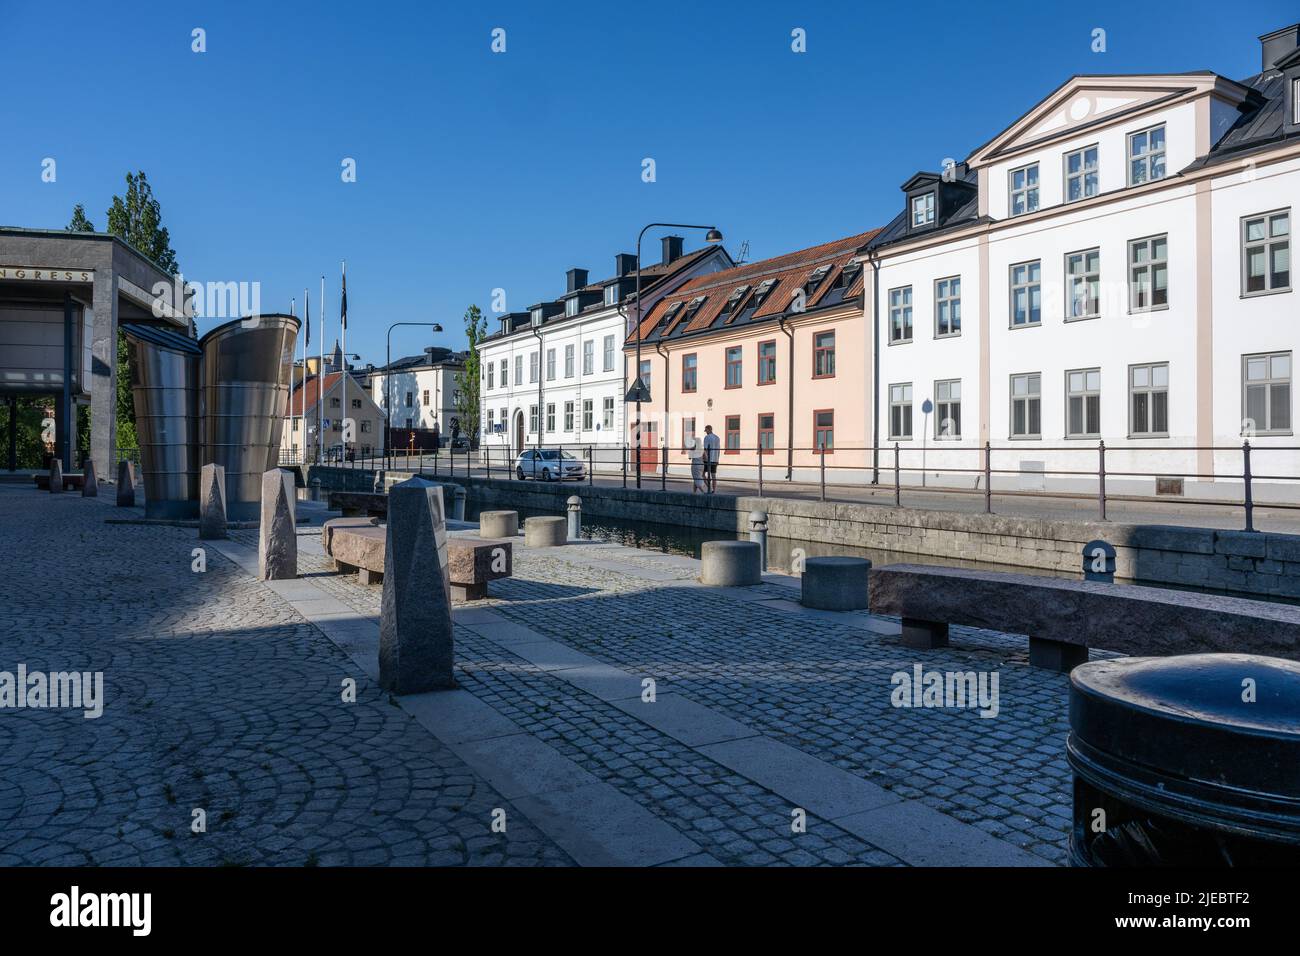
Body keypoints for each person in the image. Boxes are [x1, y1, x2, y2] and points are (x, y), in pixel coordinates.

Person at [701, 424, 721, 493]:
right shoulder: (717, 437)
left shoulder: (707, 437)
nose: (705, 432)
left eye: (706, 430)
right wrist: (718, 459)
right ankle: (714, 490)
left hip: (708, 459)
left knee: (702, 474)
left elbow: (705, 449)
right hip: (715, 459)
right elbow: (719, 449)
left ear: (709, 429)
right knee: (713, 475)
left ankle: (709, 487)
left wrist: (703, 458)